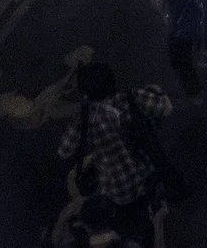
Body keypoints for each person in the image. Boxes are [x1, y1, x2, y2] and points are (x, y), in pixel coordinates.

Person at [56, 62, 176, 242]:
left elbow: (63, 151)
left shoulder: (82, 120)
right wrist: (158, 91)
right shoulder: (131, 97)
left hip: (117, 191)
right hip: (146, 171)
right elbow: (166, 108)